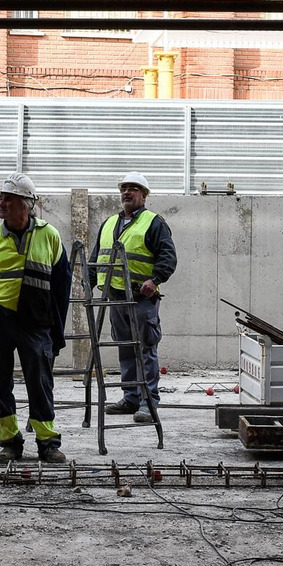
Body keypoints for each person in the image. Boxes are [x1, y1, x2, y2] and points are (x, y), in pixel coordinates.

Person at [0, 173, 72, 464]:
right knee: (0, 382)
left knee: (40, 382)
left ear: (27, 204)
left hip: (35, 320)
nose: (2, 204)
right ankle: (10, 443)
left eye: (8, 199)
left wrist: (56, 328)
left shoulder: (50, 236)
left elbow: (62, 283)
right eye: (1, 198)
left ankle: (47, 442)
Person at [97, 173, 177, 423]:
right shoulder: (109, 223)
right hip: (116, 297)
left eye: (133, 189)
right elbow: (97, 256)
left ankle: (148, 401)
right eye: (124, 188)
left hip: (141, 299)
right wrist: (89, 284)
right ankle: (131, 397)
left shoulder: (153, 222)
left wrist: (155, 280)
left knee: (145, 348)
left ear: (144, 195)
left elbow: (168, 256)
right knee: (125, 348)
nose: (127, 192)